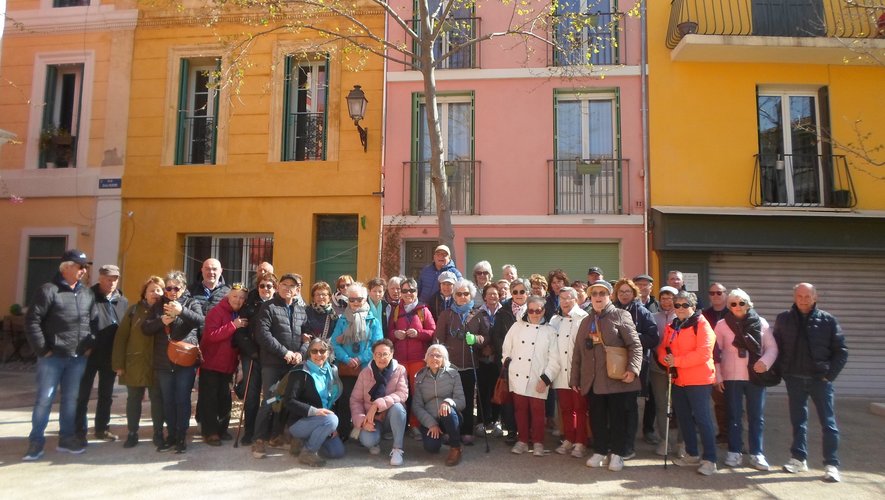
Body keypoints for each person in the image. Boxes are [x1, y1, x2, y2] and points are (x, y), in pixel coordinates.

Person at [23, 249, 97, 460]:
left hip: (77, 357)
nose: (84, 271)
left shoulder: (86, 294)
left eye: (85, 267)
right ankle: (36, 442)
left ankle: (66, 438)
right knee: (44, 399)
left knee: (71, 400)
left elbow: (93, 322)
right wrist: (43, 349)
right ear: (66, 267)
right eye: (80, 266)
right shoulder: (48, 290)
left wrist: (90, 344)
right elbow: (32, 321)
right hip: (52, 358)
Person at [773, 283, 848, 483]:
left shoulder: (828, 320)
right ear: (794, 297)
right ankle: (798, 459)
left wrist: (829, 375)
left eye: (807, 296)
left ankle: (831, 464)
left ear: (815, 297)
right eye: (800, 296)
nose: (803, 300)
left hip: (820, 380)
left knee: (828, 423)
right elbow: (776, 347)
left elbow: (841, 351)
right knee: (798, 422)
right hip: (794, 379)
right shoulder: (783, 319)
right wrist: (783, 372)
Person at [571, 280, 643, 472]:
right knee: (597, 418)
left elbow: (635, 345)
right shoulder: (585, 321)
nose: (598, 297)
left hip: (616, 378)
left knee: (618, 418)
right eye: (594, 293)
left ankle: (618, 454)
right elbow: (578, 352)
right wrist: (575, 378)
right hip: (593, 380)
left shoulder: (620, 315)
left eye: (602, 293)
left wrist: (633, 369)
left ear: (609, 296)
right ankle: (600, 451)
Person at [714, 288, 778, 471]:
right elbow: (714, 352)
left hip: (755, 376)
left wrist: (765, 362)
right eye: (733, 303)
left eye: (741, 303)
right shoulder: (721, 325)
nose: (738, 306)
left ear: (748, 304)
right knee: (733, 415)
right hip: (731, 376)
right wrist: (718, 376)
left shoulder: (761, 323)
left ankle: (757, 453)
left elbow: (772, 348)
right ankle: (734, 451)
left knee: (756, 416)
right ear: (729, 306)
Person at [143, 270, 204, 453]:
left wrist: (181, 311)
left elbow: (201, 321)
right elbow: (145, 328)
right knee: (167, 400)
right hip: (164, 361)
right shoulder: (158, 305)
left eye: (176, 288)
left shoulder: (192, 302)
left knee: (182, 399)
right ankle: (171, 434)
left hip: (184, 359)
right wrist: (161, 321)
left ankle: (181, 436)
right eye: (168, 288)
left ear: (183, 288)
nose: (171, 292)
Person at [657, 291, 718, 476]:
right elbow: (663, 348)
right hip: (679, 380)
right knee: (684, 418)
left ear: (693, 306)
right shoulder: (673, 325)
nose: (681, 308)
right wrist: (665, 360)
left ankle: (710, 459)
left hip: (699, 380)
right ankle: (692, 454)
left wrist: (676, 361)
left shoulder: (702, 325)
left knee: (702, 419)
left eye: (685, 305)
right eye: (677, 305)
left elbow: (703, 353)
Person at [252, 273, 310, 453]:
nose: (287, 288)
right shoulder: (269, 307)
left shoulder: (301, 310)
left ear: (297, 290)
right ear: (278, 286)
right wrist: (284, 352)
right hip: (273, 364)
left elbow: (307, 337)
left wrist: (301, 353)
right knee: (270, 399)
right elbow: (263, 335)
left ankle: (276, 436)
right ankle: (259, 439)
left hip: (293, 364)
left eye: (292, 286)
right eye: (284, 284)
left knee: (286, 399)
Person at [76, 264, 128, 444]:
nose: (111, 282)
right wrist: (86, 345)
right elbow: (80, 323)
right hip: (89, 354)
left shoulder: (122, 301)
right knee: (82, 394)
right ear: (100, 278)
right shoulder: (87, 297)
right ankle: (78, 430)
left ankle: (102, 429)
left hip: (110, 355)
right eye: (108, 278)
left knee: (106, 395)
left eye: (114, 279)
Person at [112, 276, 166, 449]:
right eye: (151, 290)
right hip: (135, 362)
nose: (155, 293)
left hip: (157, 363)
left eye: (159, 290)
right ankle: (132, 433)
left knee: (157, 399)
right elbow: (121, 338)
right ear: (144, 293)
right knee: (134, 399)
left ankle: (158, 433)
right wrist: (119, 364)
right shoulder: (134, 311)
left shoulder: (166, 310)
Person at [502, 295, 560, 457]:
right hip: (518, 375)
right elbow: (506, 349)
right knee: (520, 410)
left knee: (538, 412)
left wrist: (546, 378)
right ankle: (522, 440)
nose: (535, 314)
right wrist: (509, 365)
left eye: (538, 310)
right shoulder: (516, 327)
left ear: (544, 311)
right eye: (531, 310)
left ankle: (538, 442)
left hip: (538, 377)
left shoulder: (550, 331)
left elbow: (555, 358)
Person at [435, 279, 488, 444]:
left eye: (466, 293)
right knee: (448, 399)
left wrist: (476, 339)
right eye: (459, 294)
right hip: (450, 366)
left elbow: (486, 337)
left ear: (471, 295)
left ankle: (466, 431)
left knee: (466, 399)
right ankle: (448, 431)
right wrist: (440, 359)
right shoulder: (446, 314)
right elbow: (438, 338)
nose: (462, 297)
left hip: (470, 365)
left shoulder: (478, 315)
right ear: (454, 296)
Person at [611, 278, 659, 460]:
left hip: (633, 364)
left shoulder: (643, 312)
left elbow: (653, 338)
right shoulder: (610, 311)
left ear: (634, 293)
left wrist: (631, 337)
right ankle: (615, 443)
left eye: (627, 291)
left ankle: (628, 446)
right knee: (615, 406)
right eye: (621, 291)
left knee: (629, 406)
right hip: (612, 365)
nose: (624, 295)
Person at [330, 282, 384, 439]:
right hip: (347, 368)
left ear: (365, 299)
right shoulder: (342, 320)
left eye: (359, 299)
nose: (355, 302)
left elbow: (377, 345)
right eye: (351, 299)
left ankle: (366, 433)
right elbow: (334, 343)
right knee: (345, 399)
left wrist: (360, 359)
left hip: (366, 368)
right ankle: (344, 433)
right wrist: (347, 359)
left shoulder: (373, 321)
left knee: (366, 400)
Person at [282, 338, 346, 467]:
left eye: (322, 351)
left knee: (337, 452)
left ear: (328, 352)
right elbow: (288, 401)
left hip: (323, 421)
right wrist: (314, 411)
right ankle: (308, 452)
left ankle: (301, 443)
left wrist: (334, 427)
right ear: (309, 353)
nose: (318, 354)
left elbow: (333, 400)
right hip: (299, 422)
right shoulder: (300, 371)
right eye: (314, 351)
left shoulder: (331, 371)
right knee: (331, 420)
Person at [199, 284, 248, 446]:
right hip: (211, 363)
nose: (238, 300)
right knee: (210, 399)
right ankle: (210, 432)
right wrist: (233, 325)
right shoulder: (216, 311)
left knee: (225, 399)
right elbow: (211, 336)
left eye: (241, 298)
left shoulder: (239, 314)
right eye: (235, 296)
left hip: (229, 364)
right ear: (228, 296)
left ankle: (222, 429)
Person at [387, 277, 436, 437]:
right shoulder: (396, 310)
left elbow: (432, 332)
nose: (408, 293)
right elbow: (389, 333)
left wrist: (418, 333)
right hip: (400, 359)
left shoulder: (423, 310)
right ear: (400, 293)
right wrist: (395, 334)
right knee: (399, 393)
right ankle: (399, 425)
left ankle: (415, 424)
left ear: (417, 291)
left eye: (412, 290)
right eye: (405, 290)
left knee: (416, 394)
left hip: (418, 359)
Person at [233, 272, 276, 446]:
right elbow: (240, 333)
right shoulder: (249, 305)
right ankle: (250, 431)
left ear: (275, 288)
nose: (265, 289)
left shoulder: (279, 304)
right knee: (251, 395)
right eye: (262, 286)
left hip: (272, 357)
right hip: (252, 355)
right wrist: (252, 351)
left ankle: (268, 429)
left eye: (269, 286)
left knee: (271, 395)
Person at [350, 339, 409, 466]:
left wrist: (378, 404)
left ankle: (397, 449)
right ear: (373, 355)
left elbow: (402, 393)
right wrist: (362, 421)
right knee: (367, 441)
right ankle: (375, 441)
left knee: (398, 408)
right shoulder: (365, 372)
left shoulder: (400, 370)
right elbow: (355, 400)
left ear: (391, 354)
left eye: (385, 354)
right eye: (378, 354)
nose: (381, 358)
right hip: (371, 419)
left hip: (390, 416)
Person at [549, 286, 590, 458]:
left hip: (577, 372)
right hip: (560, 372)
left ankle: (580, 442)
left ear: (576, 299)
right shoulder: (555, 320)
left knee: (580, 408)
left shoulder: (584, 318)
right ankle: (568, 438)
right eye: (562, 298)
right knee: (565, 408)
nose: (565, 302)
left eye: (568, 298)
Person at [489, 277, 530, 444]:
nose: (519, 294)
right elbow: (496, 336)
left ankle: (526, 431)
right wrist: (509, 353)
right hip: (509, 361)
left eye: (522, 291)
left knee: (526, 397)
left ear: (528, 293)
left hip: (529, 361)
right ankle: (511, 430)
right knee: (510, 398)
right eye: (515, 291)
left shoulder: (535, 309)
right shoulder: (503, 311)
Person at [412, 344, 466, 466]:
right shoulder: (420, 377)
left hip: (450, 417)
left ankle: (455, 448)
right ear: (426, 358)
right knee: (431, 447)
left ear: (444, 359)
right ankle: (443, 436)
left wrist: (448, 402)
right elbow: (417, 406)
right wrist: (431, 424)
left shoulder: (453, 374)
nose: (434, 358)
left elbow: (461, 401)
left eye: (438, 355)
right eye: (431, 355)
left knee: (446, 410)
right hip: (431, 419)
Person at [650, 285, 680, 456]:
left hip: (680, 368)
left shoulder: (683, 316)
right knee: (661, 405)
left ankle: (682, 442)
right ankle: (664, 440)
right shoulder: (653, 317)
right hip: (657, 367)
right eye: (663, 298)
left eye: (670, 298)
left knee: (681, 405)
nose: (667, 301)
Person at [703, 282, 730, 444]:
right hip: (710, 362)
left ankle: (734, 434)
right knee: (718, 401)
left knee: (732, 402)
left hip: (731, 363)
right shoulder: (704, 315)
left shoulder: (733, 312)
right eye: (712, 293)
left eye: (719, 293)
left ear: (725, 294)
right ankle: (723, 433)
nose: (715, 296)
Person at [476, 283, 502, 436]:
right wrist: (483, 348)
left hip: (498, 358)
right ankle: (482, 421)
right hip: (482, 358)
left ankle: (496, 420)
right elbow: (475, 332)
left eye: (495, 293)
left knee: (497, 390)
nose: (492, 296)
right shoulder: (478, 313)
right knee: (482, 390)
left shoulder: (504, 312)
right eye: (489, 293)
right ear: (484, 296)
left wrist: (494, 348)